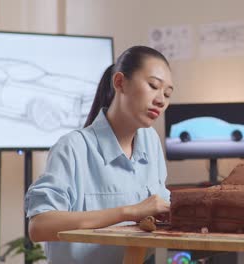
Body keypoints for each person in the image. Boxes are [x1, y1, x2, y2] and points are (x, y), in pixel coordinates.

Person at [25, 46, 174, 264]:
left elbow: (159, 207)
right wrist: (129, 212)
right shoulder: (73, 147)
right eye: (153, 86)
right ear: (120, 82)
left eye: (168, 93)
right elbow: (39, 226)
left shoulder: (151, 142)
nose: (161, 100)